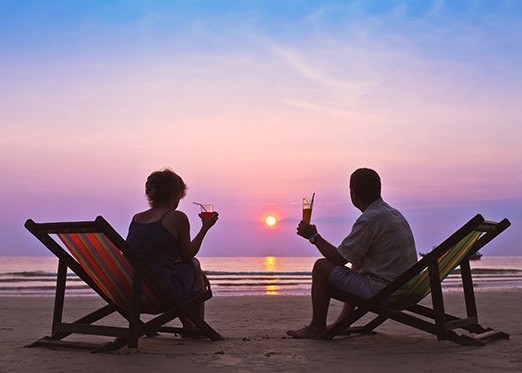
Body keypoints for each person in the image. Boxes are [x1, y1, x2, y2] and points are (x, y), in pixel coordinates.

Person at [287, 168, 417, 339]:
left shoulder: (369, 219)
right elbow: (351, 258)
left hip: (386, 292)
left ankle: (316, 327)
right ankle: (342, 323)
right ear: (379, 189)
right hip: (406, 288)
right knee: (356, 267)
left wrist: (313, 236)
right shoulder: (392, 213)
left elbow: (338, 259)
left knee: (321, 267)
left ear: (353, 194)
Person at [126, 168, 218, 330]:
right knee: (193, 264)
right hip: (160, 295)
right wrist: (205, 228)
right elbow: (187, 255)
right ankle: (196, 327)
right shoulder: (176, 217)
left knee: (181, 270)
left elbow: (152, 255)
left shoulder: (137, 218)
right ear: (176, 195)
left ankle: (189, 324)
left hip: (131, 293)